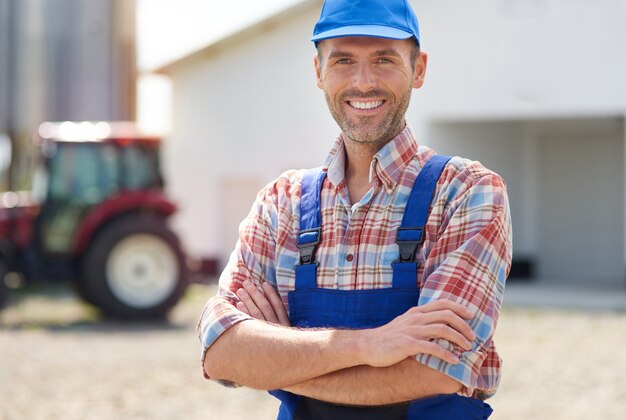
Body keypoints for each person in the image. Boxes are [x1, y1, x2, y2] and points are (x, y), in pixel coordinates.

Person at [197, 0, 512, 418]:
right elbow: (222, 354)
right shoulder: (281, 203)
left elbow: (437, 369)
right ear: (318, 72)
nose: (364, 82)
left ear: (418, 70)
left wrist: (275, 358)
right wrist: (370, 345)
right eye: (343, 60)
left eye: (384, 59)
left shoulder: (466, 194)